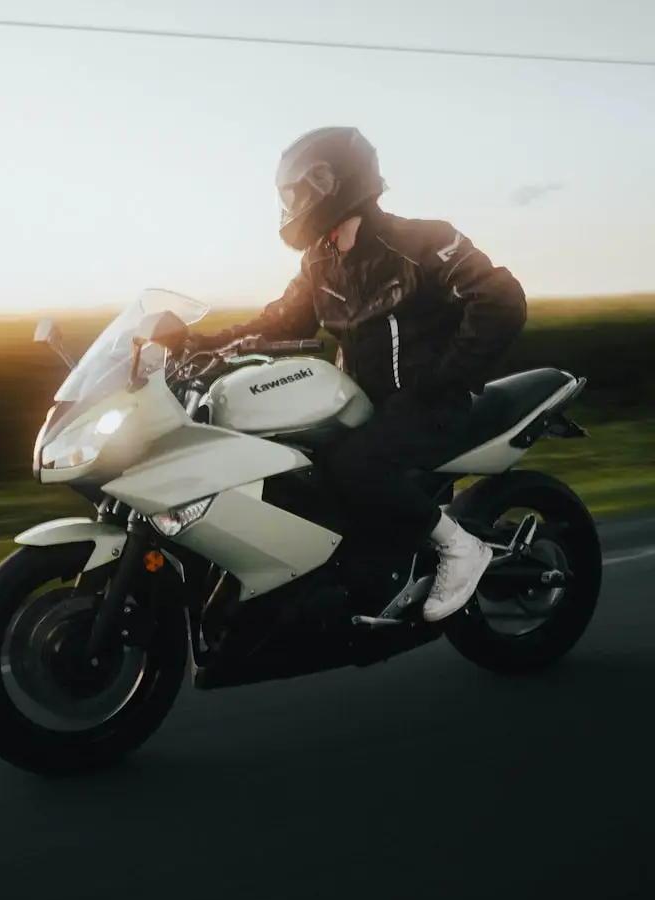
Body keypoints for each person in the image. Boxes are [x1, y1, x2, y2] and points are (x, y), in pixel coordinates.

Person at [188, 126, 528, 622]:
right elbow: (280, 321)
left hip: (432, 401)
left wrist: (441, 377)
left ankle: (460, 549)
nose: (296, 203)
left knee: (356, 467)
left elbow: (500, 300)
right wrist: (203, 344)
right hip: (363, 404)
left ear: (336, 183)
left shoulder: (421, 240)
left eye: (303, 191)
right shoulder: (320, 262)